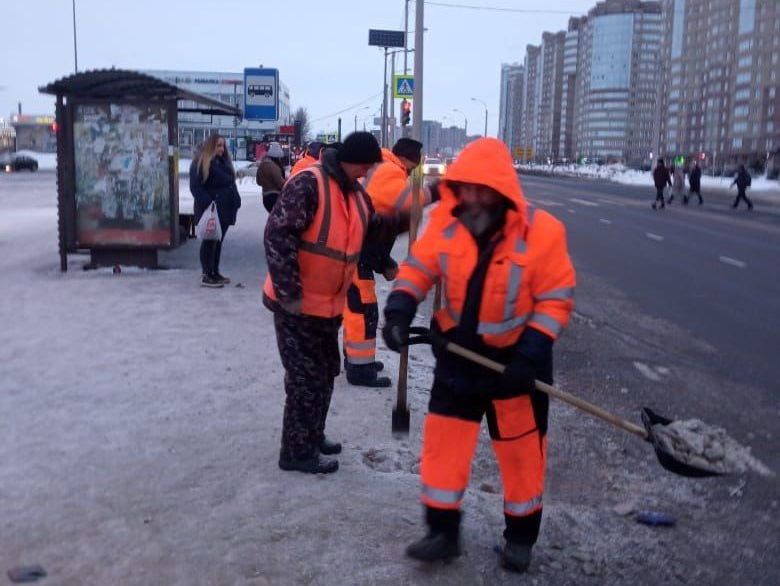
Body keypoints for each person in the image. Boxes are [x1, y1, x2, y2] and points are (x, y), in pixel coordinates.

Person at [382, 138, 575, 573]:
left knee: (522, 456)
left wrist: (528, 356)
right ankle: (442, 533)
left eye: (480, 189)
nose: (470, 197)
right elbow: (419, 269)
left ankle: (521, 538)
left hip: (515, 366)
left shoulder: (542, 233)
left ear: (501, 190)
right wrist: (399, 308)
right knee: (444, 450)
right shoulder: (448, 226)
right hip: (457, 360)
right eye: (464, 187)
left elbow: (554, 299)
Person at [263, 132, 407, 474]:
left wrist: (409, 217)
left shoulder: (356, 195)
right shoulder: (309, 184)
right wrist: (290, 292)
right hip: (296, 305)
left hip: (327, 307)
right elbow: (278, 234)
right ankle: (296, 452)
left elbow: (374, 231)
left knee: (325, 373)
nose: (369, 173)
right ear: (355, 161)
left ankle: (312, 435)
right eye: (367, 167)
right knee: (304, 378)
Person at [343, 137, 438, 387]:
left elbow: (378, 222)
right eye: (412, 168)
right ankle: (359, 370)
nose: (409, 173)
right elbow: (408, 202)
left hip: (357, 250)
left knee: (358, 309)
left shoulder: (383, 166)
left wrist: (383, 261)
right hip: (353, 252)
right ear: (407, 160)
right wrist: (438, 191)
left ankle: (357, 361)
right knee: (363, 312)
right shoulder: (389, 171)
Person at [190, 134, 241, 288]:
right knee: (209, 242)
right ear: (211, 146)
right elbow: (196, 187)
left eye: (223, 146)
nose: (221, 149)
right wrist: (209, 203)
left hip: (224, 209)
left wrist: (236, 201)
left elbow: (230, 184)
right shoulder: (201, 162)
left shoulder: (224, 162)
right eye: (218, 145)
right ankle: (206, 274)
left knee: (217, 242)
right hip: (211, 210)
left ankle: (214, 272)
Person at [256, 142, 286, 212]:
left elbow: (258, 182)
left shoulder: (262, 164)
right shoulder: (272, 166)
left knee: (274, 218)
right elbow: (280, 183)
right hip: (274, 197)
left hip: (266, 196)